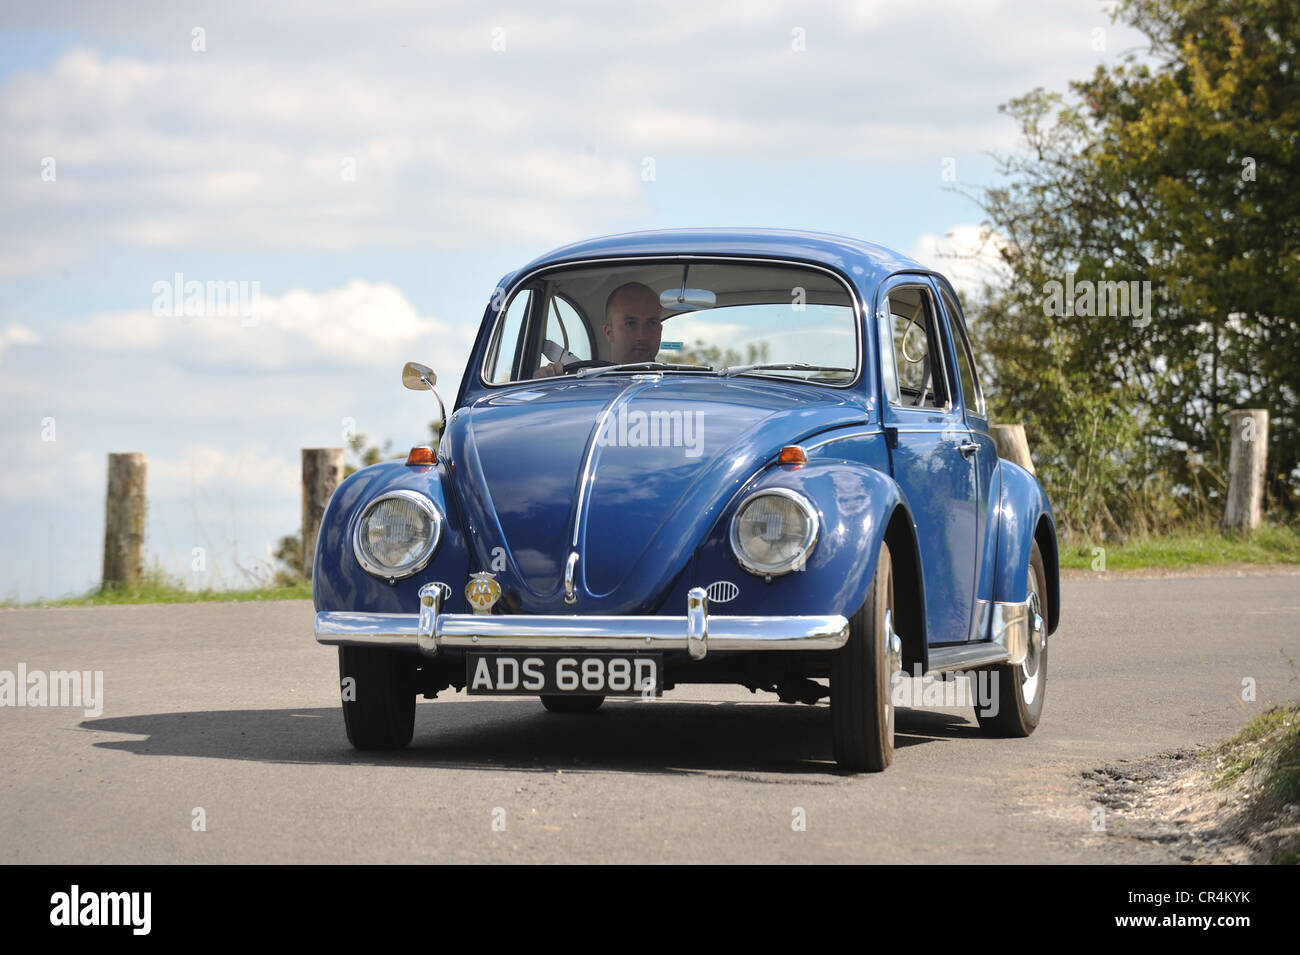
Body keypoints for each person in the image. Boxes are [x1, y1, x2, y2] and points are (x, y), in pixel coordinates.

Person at [534, 281, 663, 378]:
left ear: (660, 330)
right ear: (609, 332)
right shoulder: (579, 387)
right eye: (630, 324)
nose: (642, 335)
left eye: (652, 323)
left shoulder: (679, 390)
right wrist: (544, 386)